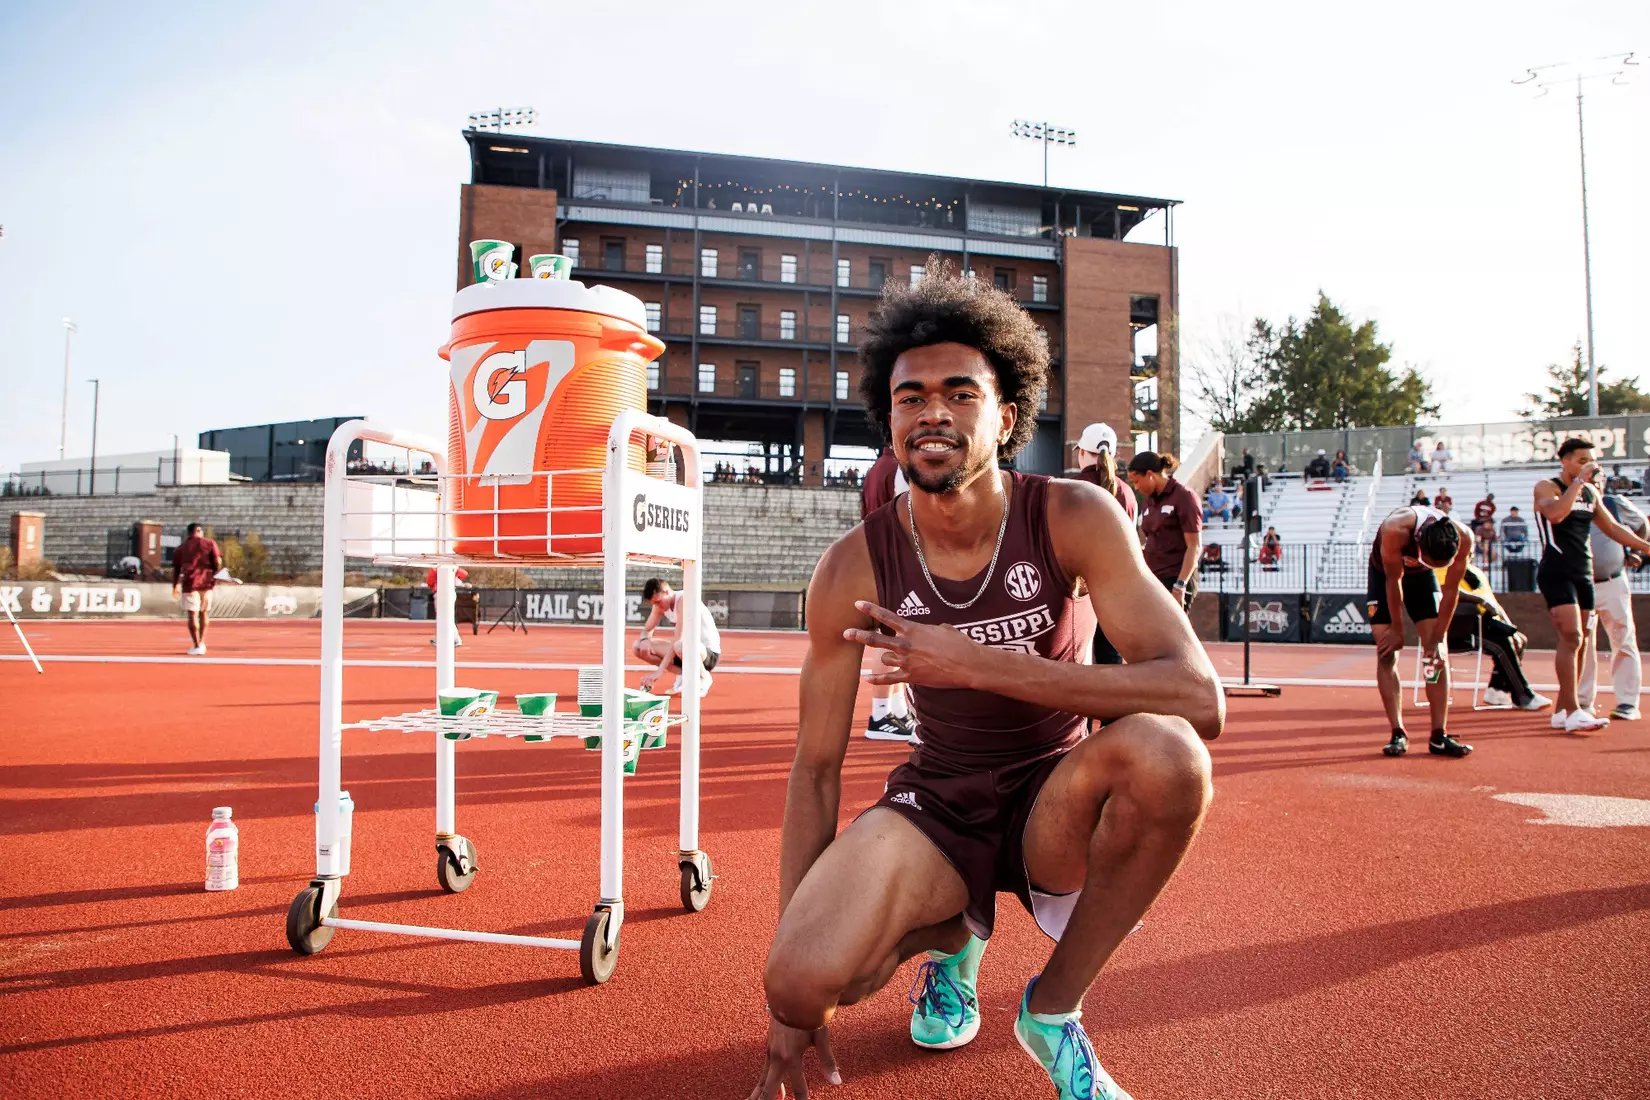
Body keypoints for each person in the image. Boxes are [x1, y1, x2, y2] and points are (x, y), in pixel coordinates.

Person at [747, 264, 1222, 1100]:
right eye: (910, 396)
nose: (933, 411)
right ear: (889, 421)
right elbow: (816, 768)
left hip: (1056, 794)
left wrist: (975, 663)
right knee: (797, 981)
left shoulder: (1072, 514)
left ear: (1005, 418)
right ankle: (952, 934)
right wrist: (795, 995)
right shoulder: (852, 565)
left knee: (1171, 756)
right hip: (939, 801)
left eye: (960, 393)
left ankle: (1052, 1010)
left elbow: (1196, 696)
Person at [1533, 438, 1650, 733]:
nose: (1590, 466)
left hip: (1583, 572)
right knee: (1571, 635)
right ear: (1565, 461)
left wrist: (1645, 547)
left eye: (1591, 461)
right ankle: (1574, 710)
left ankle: (1563, 709)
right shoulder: (1548, 487)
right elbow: (1556, 513)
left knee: (1581, 638)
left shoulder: (1592, 493)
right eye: (1582, 460)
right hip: (1557, 570)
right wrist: (1578, 484)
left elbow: (1613, 528)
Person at [1368, 502, 1475, 758]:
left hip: (1421, 581)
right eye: (1430, 561)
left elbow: (1451, 591)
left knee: (1435, 656)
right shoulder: (1395, 529)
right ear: (1419, 543)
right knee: (1386, 652)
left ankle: (1439, 734)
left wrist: (1438, 637)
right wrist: (1397, 629)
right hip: (1385, 576)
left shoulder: (1464, 538)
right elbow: (1394, 582)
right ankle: (1398, 732)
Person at [1067, 422, 1138, 668]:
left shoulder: (1070, 489)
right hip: (1116, 585)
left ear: (1083, 452)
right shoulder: (1127, 492)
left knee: (1075, 655)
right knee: (1110, 658)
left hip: (1077, 585)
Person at [1579, 471, 1645, 722]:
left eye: (1599, 480)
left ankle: (1628, 701)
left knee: (1624, 639)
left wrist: (1637, 550)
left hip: (1613, 582)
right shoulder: (1572, 505)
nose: (1595, 484)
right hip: (1582, 584)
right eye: (1590, 480)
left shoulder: (1613, 503)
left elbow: (1641, 523)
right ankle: (1583, 702)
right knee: (1583, 642)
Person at [860, 449, 914, 739]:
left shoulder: (878, 467)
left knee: (896, 639)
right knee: (891, 638)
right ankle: (881, 714)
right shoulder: (898, 467)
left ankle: (894, 709)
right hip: (895, 559)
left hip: (882, 556)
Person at [1447, 564, 1550, 711]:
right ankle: (1524, 696)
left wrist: (1511, 628)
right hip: (1460, 628)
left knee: (1517, 639)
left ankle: (1497, 690)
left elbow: (1493, 602)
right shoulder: (1442, 567)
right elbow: (1448, 589)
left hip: (1484, 622)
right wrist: (1479, 600)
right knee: (1502, 644)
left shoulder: (1476, 571)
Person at [1127, 451, 1202, 611]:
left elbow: (1194, 546)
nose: (1136, 487)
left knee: (1170, 634)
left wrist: (1180, 586)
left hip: (1174, 577)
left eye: (1137, 481)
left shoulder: (1184, 497)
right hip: (1154, 579)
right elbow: (1153, 540)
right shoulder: (1149, 503)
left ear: (1150, 475)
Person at [634, 577, 720, 697]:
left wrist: (658, 672)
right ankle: (683, 675)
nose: (657, 606)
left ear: (666, 591)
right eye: (654, 604)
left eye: (658, 602)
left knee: (680, 645)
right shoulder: (659, 606)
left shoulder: (684, 600)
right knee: (638, 647)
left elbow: (678, 638)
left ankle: (704, 676)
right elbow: (646, 630)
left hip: (707, 654)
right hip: (685, 651)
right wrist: (645, 640)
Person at [171, 523, 222, 656]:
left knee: (192, 614)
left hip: (190, 583)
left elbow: (176, 569)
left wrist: (175, 585)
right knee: (204, 612)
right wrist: (216, 574)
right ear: (199, 531)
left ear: (188, 533)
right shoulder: (210, 543)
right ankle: (202, 642)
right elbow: (217, 561)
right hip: (207, 583)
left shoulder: (181, 549)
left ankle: (197, 644)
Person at [425, 565, 470, 646]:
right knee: (447, 617)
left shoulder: (436, 569)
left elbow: (429, 581)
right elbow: (463, 575)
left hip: (441, 593)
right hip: (450, 592)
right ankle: (451, 638)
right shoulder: (452, 569)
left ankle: (451, 638)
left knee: (443, 617)